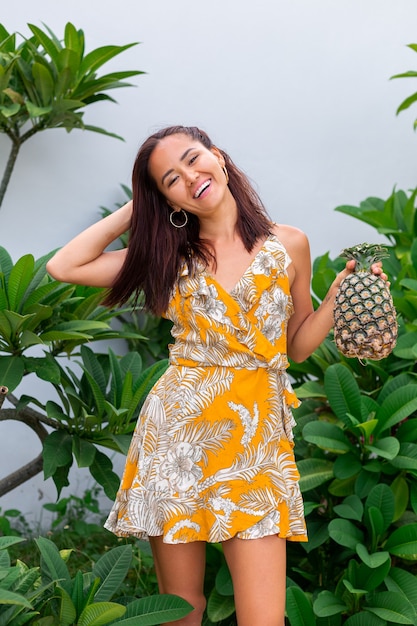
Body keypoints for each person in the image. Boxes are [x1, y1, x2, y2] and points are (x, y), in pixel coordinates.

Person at [46, 125, 387, 626]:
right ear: (166, 199)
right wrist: (138, 207)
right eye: (170, 179)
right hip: (178, 438)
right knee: (181, 612)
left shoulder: (288, 245)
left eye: (192, 158)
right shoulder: (166, 257)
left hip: (256, 442)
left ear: (218, 156)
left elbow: (293, 344)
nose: (190, 176)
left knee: (262, 617)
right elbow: (64, 266)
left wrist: (337, 299)